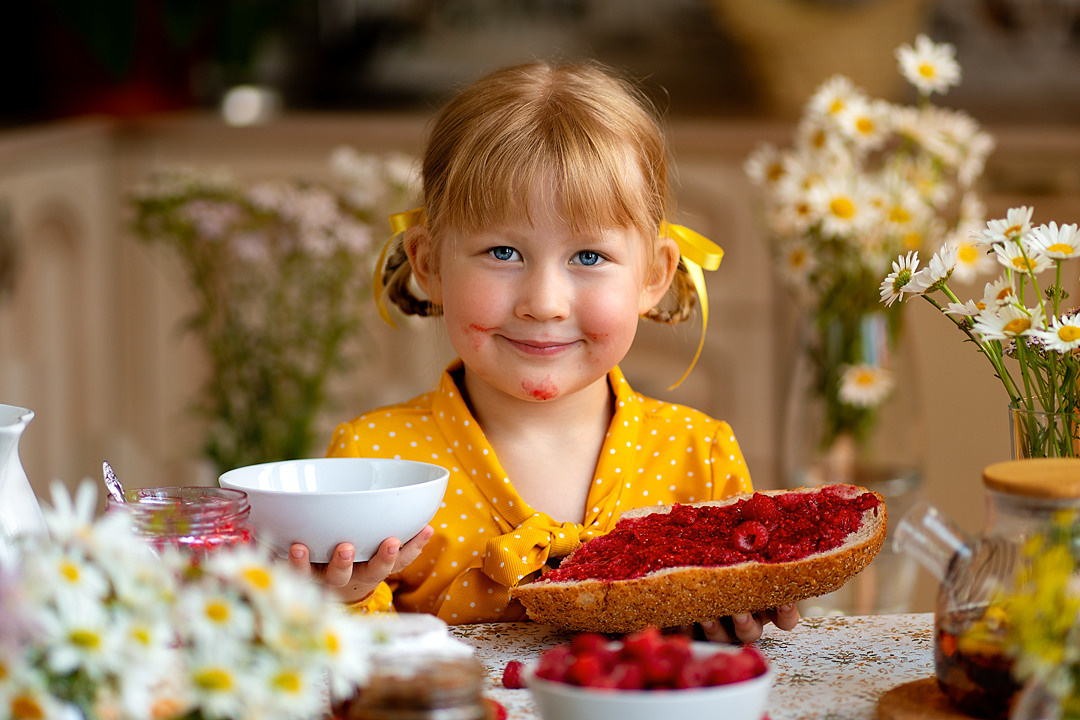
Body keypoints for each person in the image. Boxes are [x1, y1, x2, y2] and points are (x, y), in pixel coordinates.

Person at [289, 60, 800, 643]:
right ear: (429, 264)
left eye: (588, 257)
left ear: (654, 274)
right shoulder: (373, 461)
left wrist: (739, 618)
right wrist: (333, 604)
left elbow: (737, 657)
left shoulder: (699, 458)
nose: (544, 303)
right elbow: (343, 669)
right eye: (503, 252)